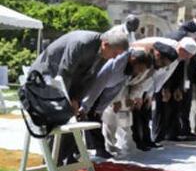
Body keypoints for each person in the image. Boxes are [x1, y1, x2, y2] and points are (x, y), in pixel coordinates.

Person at [30, 26, 129, 165]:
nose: (115, 58)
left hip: (66, 83)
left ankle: (67, 159)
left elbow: (90, 78)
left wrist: (77, 99)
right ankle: (52, 163)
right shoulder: (81, 43)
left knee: (73, 118)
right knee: (59, 121)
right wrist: (67, 100)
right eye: (115, 53)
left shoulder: (104, 54)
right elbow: (65, 72)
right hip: (46, 78)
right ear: (105, 44)